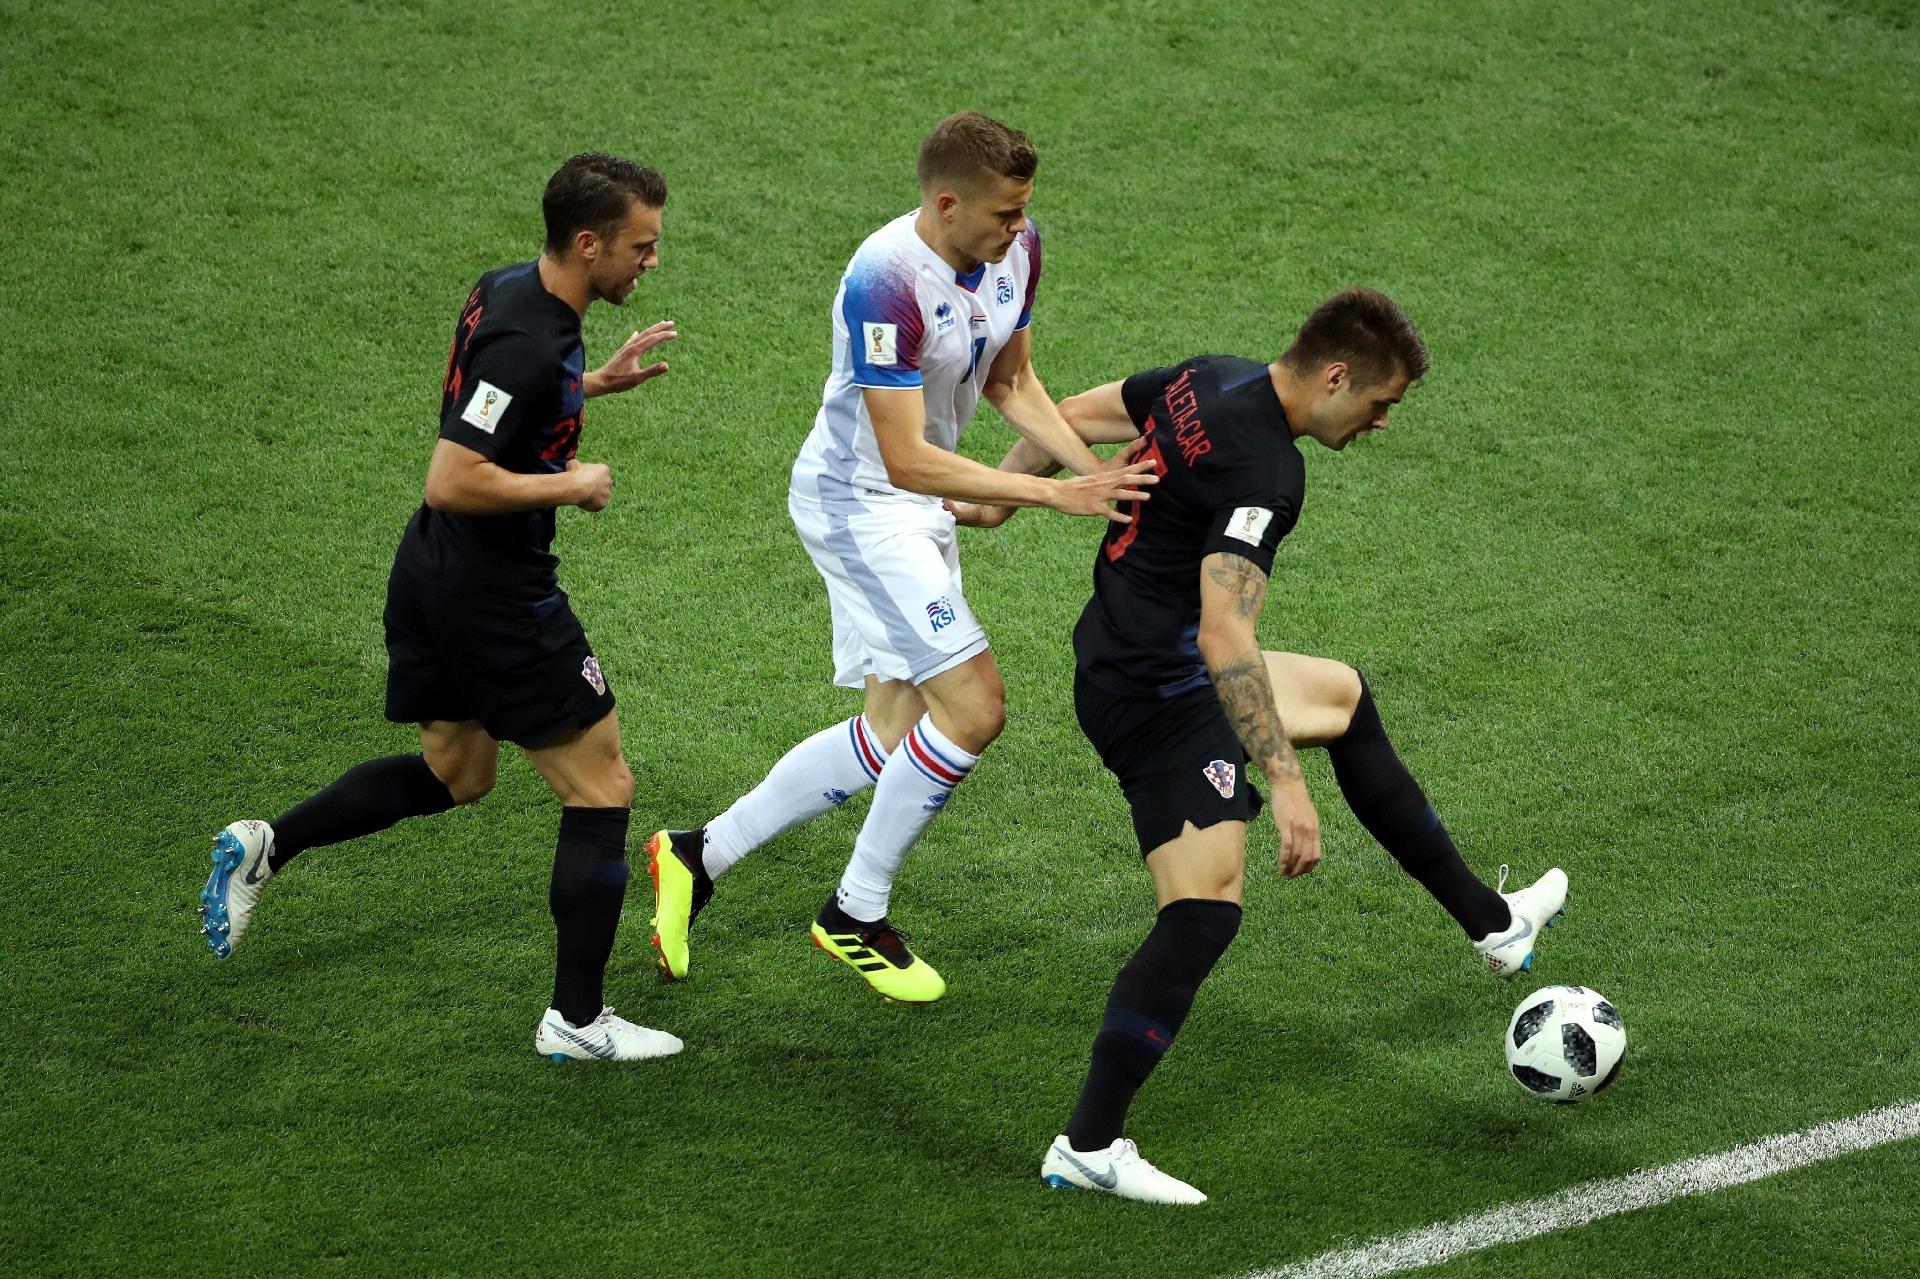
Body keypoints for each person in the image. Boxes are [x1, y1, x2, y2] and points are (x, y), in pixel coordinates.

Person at [954, 287, 1568, 1203]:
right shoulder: (1268, 475)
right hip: (1157, 694)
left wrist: (1012, 500)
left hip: (1131, 653)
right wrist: (1282, 778)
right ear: (1334, 376)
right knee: (1204, 911)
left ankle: (1493, 924)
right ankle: (1089, 1142)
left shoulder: (1210, 379)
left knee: (1343, 697)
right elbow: (1224, 637)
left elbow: (1072, 412)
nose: (1382, 422)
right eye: (1381, 401)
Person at [645, 111, 1156, 1004]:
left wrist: (1097, 476)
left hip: (918, 506)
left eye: (1022, 212)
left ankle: (695, 853)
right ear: (947, 202)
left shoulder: (1017, 247)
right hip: (861, 505)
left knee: (894, 735)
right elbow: (905, 456)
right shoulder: (883, 280)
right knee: (974, 705)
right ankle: (855, 910)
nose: (1016, 230)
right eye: (1001, 214)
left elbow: (1011, 382)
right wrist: (1044, 493)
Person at [197, 152, 686, 1063]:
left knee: (460, 771)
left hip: (430, 573)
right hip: (496, 599)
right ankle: (576, 1021)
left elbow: (491, 411)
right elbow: (455, 474)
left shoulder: (505, 290)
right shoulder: (530, 344)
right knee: (604, 784)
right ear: (589, 243)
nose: (649, 261)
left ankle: (269, 843)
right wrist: (570, 485)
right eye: (640, 246)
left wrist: (593, 385)